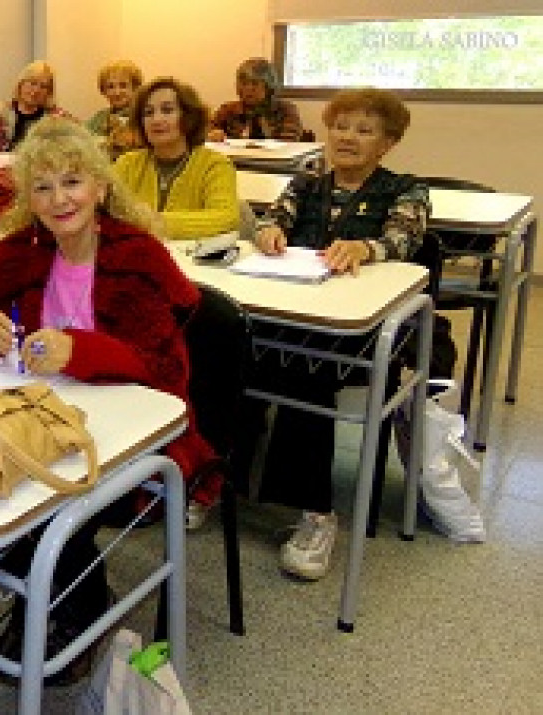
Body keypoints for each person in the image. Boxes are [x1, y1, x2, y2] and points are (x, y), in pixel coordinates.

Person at [0, 116, 217, 683]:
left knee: (41, 498)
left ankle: (68, 606)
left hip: (143, 434)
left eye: (73, 182)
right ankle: (64, 598)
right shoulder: (27, 248)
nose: (60, 199)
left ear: (102, 187)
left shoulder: (138, 255)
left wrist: (79, 351)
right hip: (48, 417)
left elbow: (165, 371)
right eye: (43, 186)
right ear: (28, 198)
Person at [239, 88, 429, 581]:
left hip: (360, 325)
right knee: (227, 343)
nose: (348, 137)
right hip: (294, 306)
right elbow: (274, 217)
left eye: (365, 130)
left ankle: (316, 513)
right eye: (341, 126)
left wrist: (366, 249)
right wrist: (268, 233)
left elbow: (403, 239)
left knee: (306, 369)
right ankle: (218, 482)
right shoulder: (307, 182)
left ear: (387, 143)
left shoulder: (406, 190)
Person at [113, 77, 240, 241]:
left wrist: (153, 221)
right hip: (137, 258)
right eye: (148, 113)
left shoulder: (214, 164)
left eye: (167, 110)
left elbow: (226, 218)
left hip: (193, 262)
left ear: (188, 118)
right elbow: (105, 211)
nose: (156, 120)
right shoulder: (127, 164)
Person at [207, 58, 305, 143]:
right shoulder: (228, 110)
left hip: (274, 162)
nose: (249, 89)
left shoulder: (286, 110)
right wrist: (213, 135)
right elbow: (204, 133)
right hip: (235, 162)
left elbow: (289, 141)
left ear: (268, 86)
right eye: (244, 84)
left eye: (255, 83)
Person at [85, 60, 143, 159]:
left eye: (123, 86)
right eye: (110, 87)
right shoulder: (99, 117)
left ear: (135, 88)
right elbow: (82, 139)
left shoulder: (142, 116)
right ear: (104, 91)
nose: (117, 92)